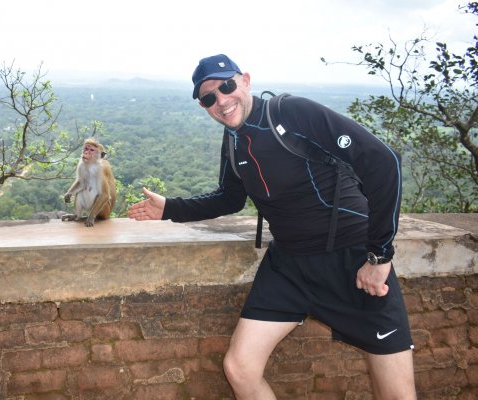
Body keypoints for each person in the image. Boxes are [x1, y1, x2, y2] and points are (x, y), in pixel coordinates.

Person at [128, 54, 416, 399]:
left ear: (245, 80)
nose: (221, 100)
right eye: (208, 99)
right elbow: (229, 199)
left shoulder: (291, 112)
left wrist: (379, 256)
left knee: (397, 394)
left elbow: (383, 161)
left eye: (226, 86)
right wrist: (170, 209)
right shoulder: (233, 140)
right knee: (239, 368)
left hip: (350, 257)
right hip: (289, 266)